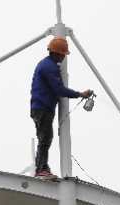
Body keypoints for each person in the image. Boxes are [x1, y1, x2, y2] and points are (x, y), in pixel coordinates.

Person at [30, 36, 93, 179]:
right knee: (45, 137)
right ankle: (41, 169)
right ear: (59, 53)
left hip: (42, 107)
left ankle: (42, 168)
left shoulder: (48, 65)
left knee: (45, 137)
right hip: (42, 108)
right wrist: (80, 94)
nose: (64, 57)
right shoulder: (49, 67)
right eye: (64, 54)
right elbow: (59, 90)